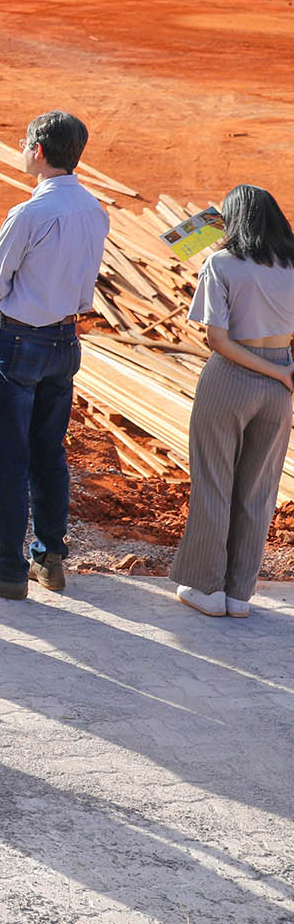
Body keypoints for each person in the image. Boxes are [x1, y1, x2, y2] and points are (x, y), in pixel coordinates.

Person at [0, 111, 110, 601]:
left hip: (21, 340)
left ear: (39, 151)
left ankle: (5, 567)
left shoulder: (30, 213)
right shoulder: (94, 209)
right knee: (49, 454)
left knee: (6, 460)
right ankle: (50, 557)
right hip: (66, 341)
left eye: (25, 143)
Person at [169, 185, 294, 618]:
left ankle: (207, 589)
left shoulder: (220, 263)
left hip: (232, 379)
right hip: (282, 383)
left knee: (214, 484)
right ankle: (240, 594)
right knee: (258, 491)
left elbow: (216, 339)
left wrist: (208, 226)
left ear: (230, 219)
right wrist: (282, 370)